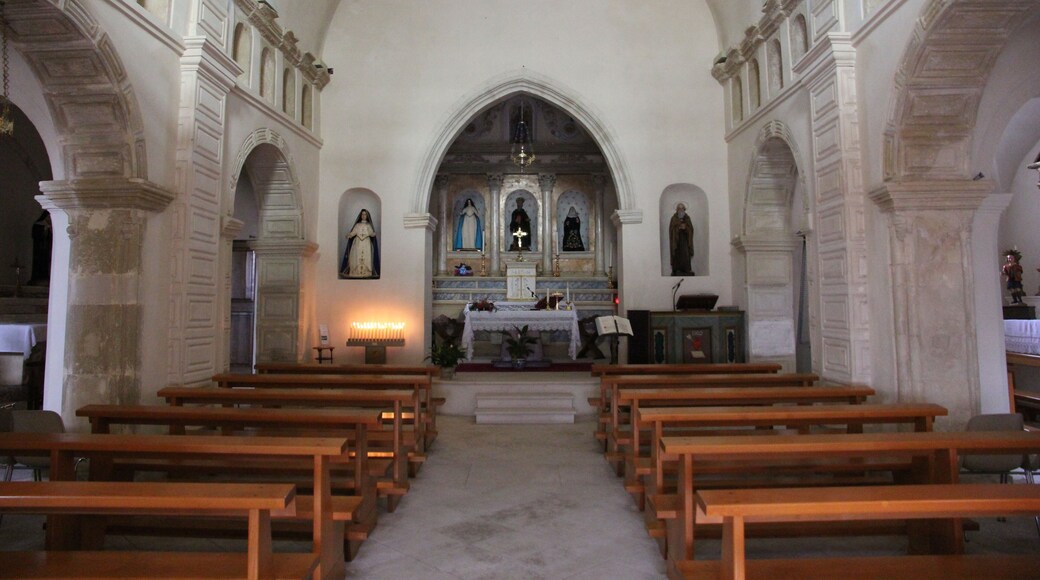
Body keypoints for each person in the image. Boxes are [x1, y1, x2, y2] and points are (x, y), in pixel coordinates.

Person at [341, 209, 380, 279]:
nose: (363, 216)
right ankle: (356, 272)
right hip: (358, 243)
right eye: (362, 214)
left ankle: (366, 272)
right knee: (356, 256)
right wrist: (349, 235)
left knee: (366, 256)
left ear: (367, 216)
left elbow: (371, 233)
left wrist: (373, 234)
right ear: (360, 215)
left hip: (366, 243)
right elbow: (353, 232)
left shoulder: (368, 225)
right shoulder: (357, 225)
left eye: (365, 214)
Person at [669, 202, 694, 276]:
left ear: (684, 209)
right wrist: (678, 227)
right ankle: (677, 269)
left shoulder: (687, 218)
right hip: (676, 242)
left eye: (682, 208)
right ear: (676, 210)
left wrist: (686, 228)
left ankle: (686, 269)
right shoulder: (674, 218)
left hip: (685, 241)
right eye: (679, 208)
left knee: (686, 254)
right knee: (677, 254)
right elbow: (671, 230)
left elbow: (691, 229)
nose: (681, 210)